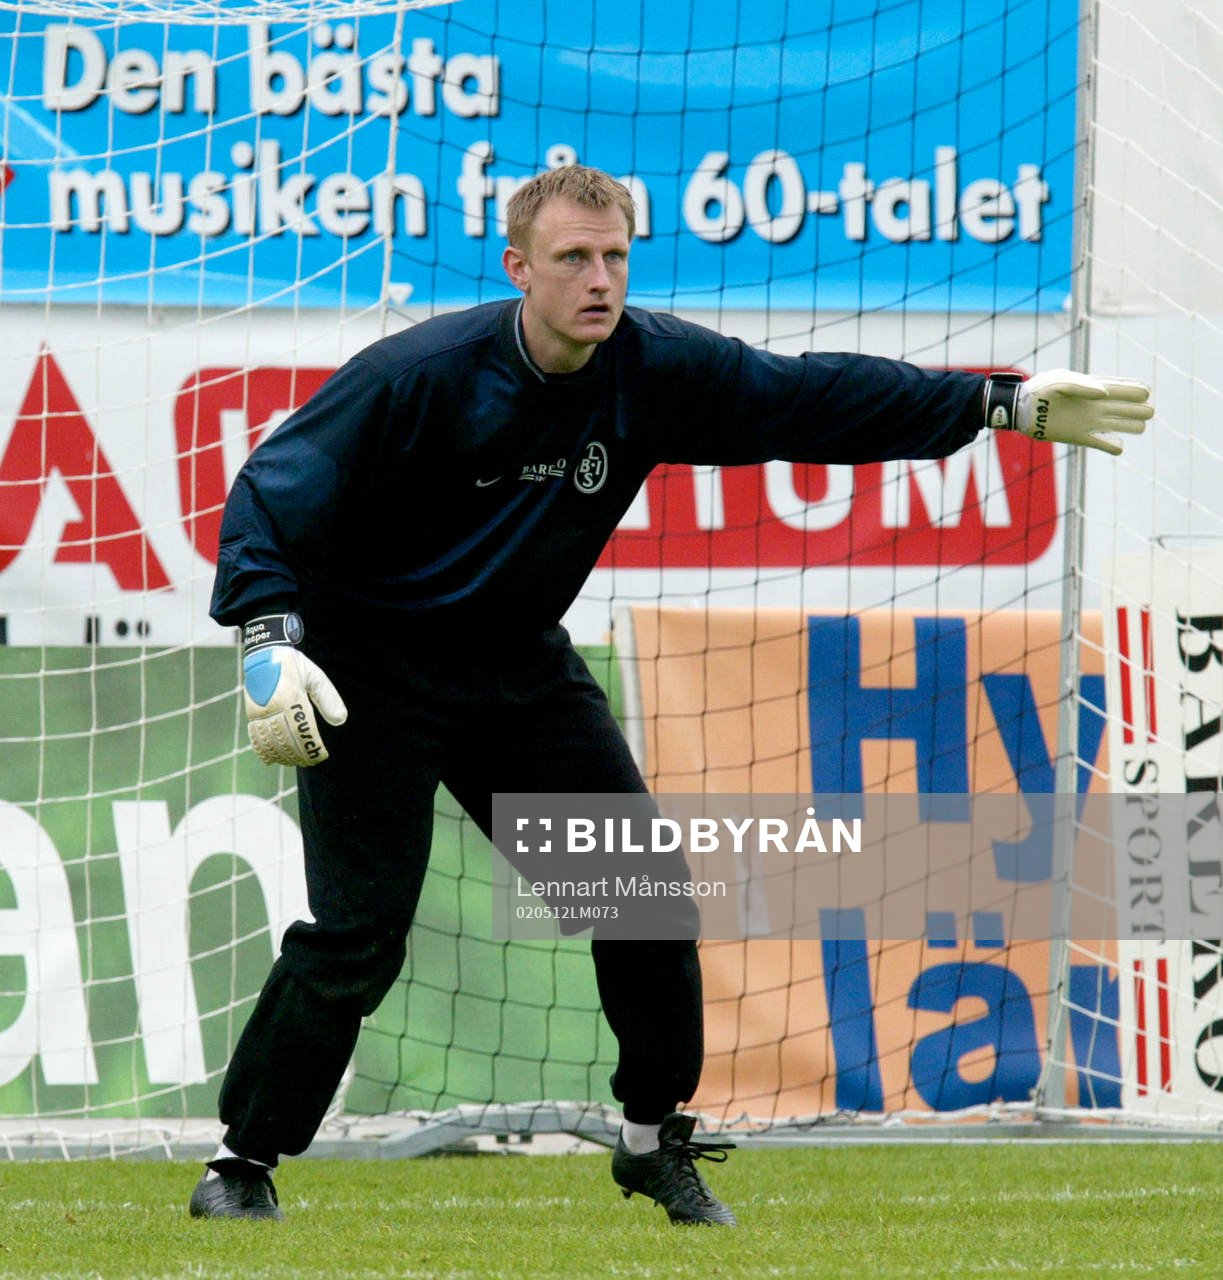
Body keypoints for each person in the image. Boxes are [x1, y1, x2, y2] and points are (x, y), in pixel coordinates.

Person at [190, 165, 1152, 1226]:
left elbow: (810, 396)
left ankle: (652, 1138)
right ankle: (241, 1161)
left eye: (615, 257)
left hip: (517, 671)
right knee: (362, 930)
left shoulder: (650, 367)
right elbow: (272, 495)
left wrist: (995, 404)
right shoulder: (424, 373)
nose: (599, 279)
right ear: (518, 268)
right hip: (371, 673)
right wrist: (271, 637)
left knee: (644, 896)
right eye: (572, 258)